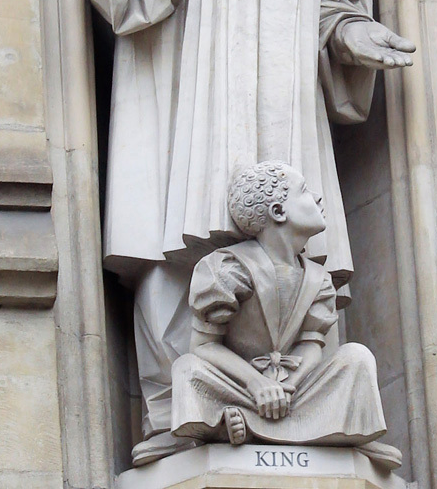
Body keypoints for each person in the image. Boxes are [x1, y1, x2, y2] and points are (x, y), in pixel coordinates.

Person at [87, 0, 413, 466]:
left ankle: (296, 409)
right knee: (181, 233)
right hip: (187, 86)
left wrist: (352, 32)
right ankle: (178, 411)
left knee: (296, 253)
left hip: (283, 101)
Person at [171, 161, 399, 469]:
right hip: (241, 386)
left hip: (295, 388)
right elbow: (203, 346)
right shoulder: (227, 268)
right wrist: (257, 384)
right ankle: (309, 429)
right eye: (304, 191)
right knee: (187, 369)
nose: (318, 198)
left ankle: (246, 426)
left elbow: (311, 345)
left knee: (357, 358)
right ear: (279, 212)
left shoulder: (320, 279)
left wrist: (287, 388)